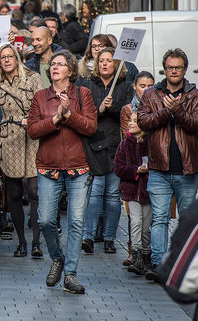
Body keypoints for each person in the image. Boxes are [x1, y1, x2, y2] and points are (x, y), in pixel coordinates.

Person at [27, 50, 97, 294]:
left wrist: (69, 116)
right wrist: (55, 119)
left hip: (79, 167)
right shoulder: (40, 97)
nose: (55, 67)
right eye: (53, 64)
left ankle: (69, 274)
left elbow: (90, 127)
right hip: (48, 166)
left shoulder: (83, 94)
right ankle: (57, 257)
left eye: (61, 63)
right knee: (45, 219)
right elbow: (33, 130)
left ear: (70, 70)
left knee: (76, 222)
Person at [0, 44, 44, 257]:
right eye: (2, 57)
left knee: (33, 191)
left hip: (32, 137)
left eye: (9, 56)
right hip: (10, 139)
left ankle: (36, 243)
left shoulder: (32, 78)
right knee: (14, 193)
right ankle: (21, 242)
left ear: (17, 59)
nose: (6, 60)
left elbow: (43, 104)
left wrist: (31, 120)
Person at [137, 48, 198, 282]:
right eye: (170, 67)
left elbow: (195, 125)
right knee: (160, 218)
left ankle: (182, 265)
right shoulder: (152, 94)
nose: (174, 71)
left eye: (178, 67)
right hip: (159, 168)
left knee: (185, 219)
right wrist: (166, 111)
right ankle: (159, 264)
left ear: (185, 69)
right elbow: (143, 121)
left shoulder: (194, 95)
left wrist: (179, 111)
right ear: (164, 69)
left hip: (187, 168)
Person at [80, 48, 133, 255]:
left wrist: (113, 107)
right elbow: (86, 112)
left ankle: (110, 239)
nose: (104, 64)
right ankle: (88, 237)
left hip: (116, 147)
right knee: (94, 194)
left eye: (108, 61)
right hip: (94, 146)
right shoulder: (89, 85)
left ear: (116, 64)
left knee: (112, 195)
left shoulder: (126, 86)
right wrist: (99, 109)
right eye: (101, 60)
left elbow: (128, 113)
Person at [114, 112, 151, 276]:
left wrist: (147, 169)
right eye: (130, 120)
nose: (131, 123)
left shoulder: (150, 143)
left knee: (146, 226)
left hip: (148, 191)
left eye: (135, 120)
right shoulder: (124, 144)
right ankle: (136, 255)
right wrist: (136, 170)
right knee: (135, 222)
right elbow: (118, 167)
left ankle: (146, 254)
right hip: (131, 190)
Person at [120, 71, 154, 138]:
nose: (146, 90)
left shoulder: (158, 106)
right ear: (134, 86)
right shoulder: (127, 109)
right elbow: (127, 136)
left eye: (150, 86)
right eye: (142, 86)